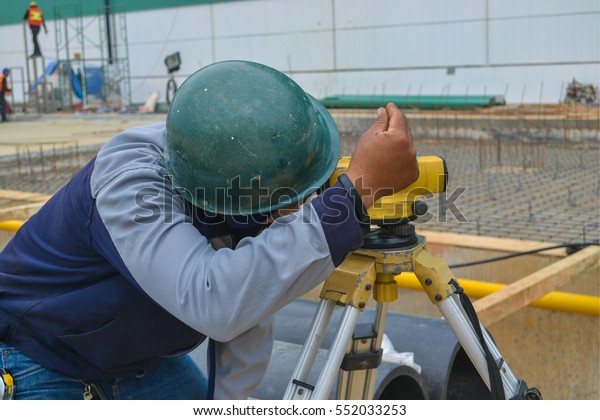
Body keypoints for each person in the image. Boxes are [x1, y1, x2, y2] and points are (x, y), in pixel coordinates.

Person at [0, 60, 419, 400]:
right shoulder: (132, 183)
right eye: (287, 198)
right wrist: (356, 193)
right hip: (40, 356)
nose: (295, 208)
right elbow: (215, 298)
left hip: (138, 360)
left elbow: (248, 305)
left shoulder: (245, 175)